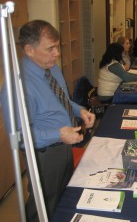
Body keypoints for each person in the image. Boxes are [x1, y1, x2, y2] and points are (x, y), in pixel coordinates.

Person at [0, 20, 96, 222]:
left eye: (57, 47)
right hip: (44, 154)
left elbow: (62, 101)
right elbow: (18, 137)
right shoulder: (18, 85)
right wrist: (58, 134)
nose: (57, 54)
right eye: (50, 49)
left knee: (62, 200)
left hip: (64, 145)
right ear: (29, 50)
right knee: (43, 206)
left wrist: (80, 110)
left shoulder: (52, 68)